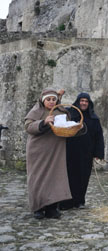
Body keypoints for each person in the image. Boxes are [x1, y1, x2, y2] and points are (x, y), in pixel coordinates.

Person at [24, 88, 74, 219]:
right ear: (43, 100)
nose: (51, 102)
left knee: (55, 178)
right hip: (38, 151)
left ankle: (52, 208)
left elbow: (67, 124)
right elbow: (28, 126)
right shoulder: (37, 111)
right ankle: (38, 208)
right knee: (38, 178)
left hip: (56, 151)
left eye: (54, 99)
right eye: (48, 99)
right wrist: (43, 122)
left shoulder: (60, 111)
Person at [60, 93, 105, 210]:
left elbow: (98, 136)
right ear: (78, 102)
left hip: (86, 153)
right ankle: (66, 202)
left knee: (83, 177)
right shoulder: (70, 115)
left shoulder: (94, 118)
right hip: (70, 152)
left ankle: (80, 201)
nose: (84, 103)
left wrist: (98, 154)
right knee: (69, 177)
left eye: (86, 101)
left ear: (89, 103)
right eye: (82, 101)